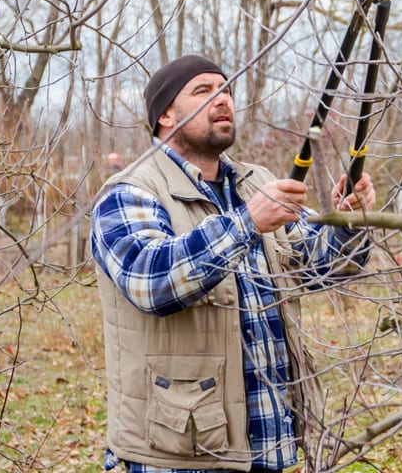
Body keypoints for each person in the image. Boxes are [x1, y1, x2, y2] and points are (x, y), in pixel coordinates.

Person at [90, 54, 376, 473]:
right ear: (165, 115)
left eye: (225, 89)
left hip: (269, 442)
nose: (222, 99)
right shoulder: (128, 192)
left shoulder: (255, 183)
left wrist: (350, 221)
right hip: (180, 453)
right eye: (203, 91)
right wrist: (246, 224)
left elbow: (322, 266)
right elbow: (151, 281)